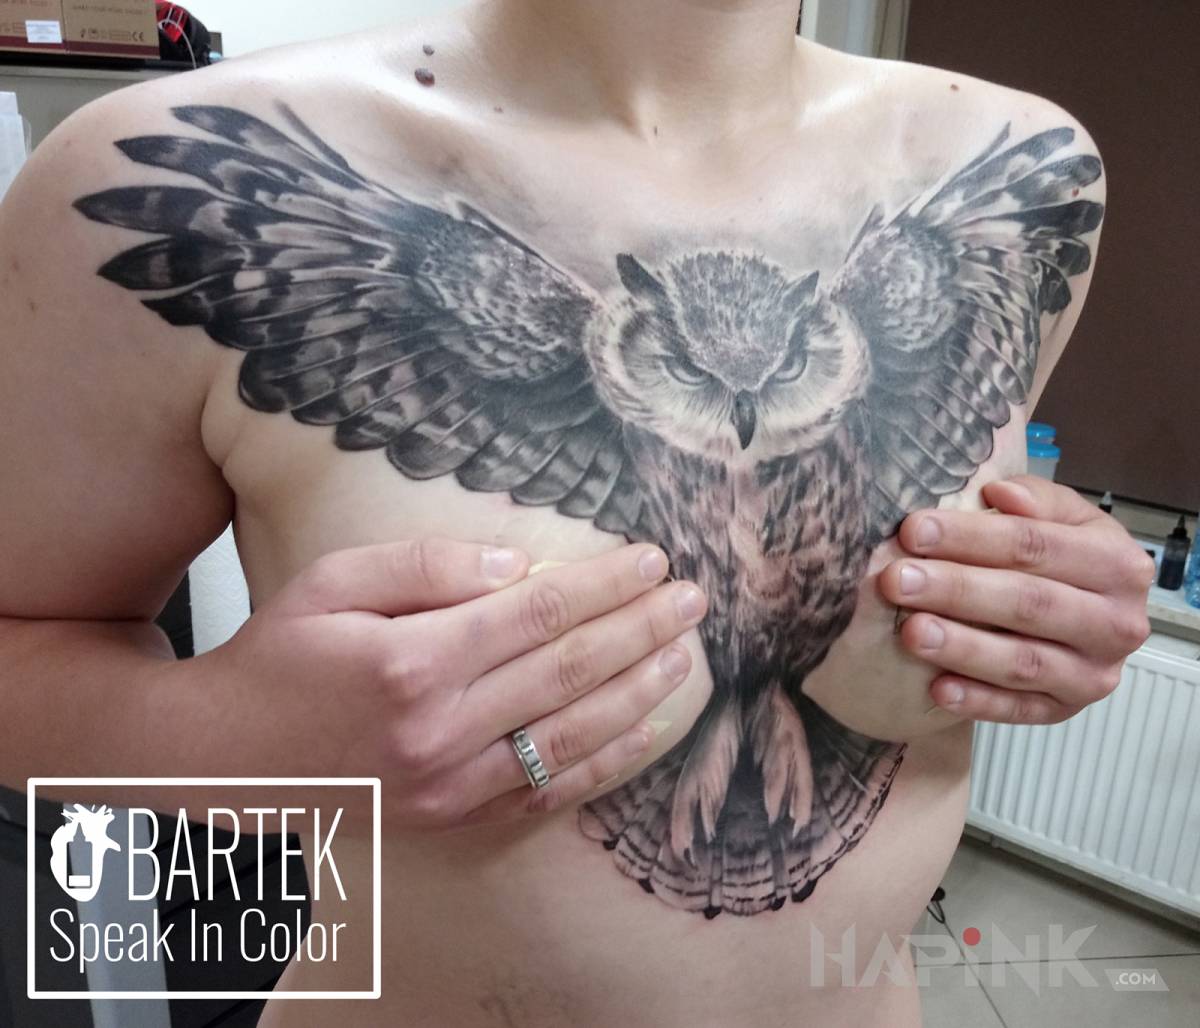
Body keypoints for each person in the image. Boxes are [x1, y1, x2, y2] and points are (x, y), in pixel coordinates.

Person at [0, 1, 1154, 1024]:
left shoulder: (1029, 181)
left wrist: (1044, 611)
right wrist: (239, 739)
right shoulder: (184, 179)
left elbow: (968, 571)